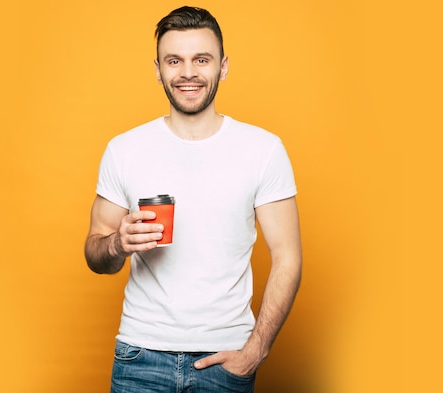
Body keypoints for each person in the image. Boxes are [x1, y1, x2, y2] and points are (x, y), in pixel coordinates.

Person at [84, 6, 302, 392]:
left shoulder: (263, 150)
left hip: (226, 357)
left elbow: (287, 257)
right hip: (140, 358)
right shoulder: (124, 150)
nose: (187, 72)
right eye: (174, 60)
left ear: (223, 66)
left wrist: (256, 350)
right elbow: (96, 255)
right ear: (158, 69)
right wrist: (118, 243)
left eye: (201, 59)